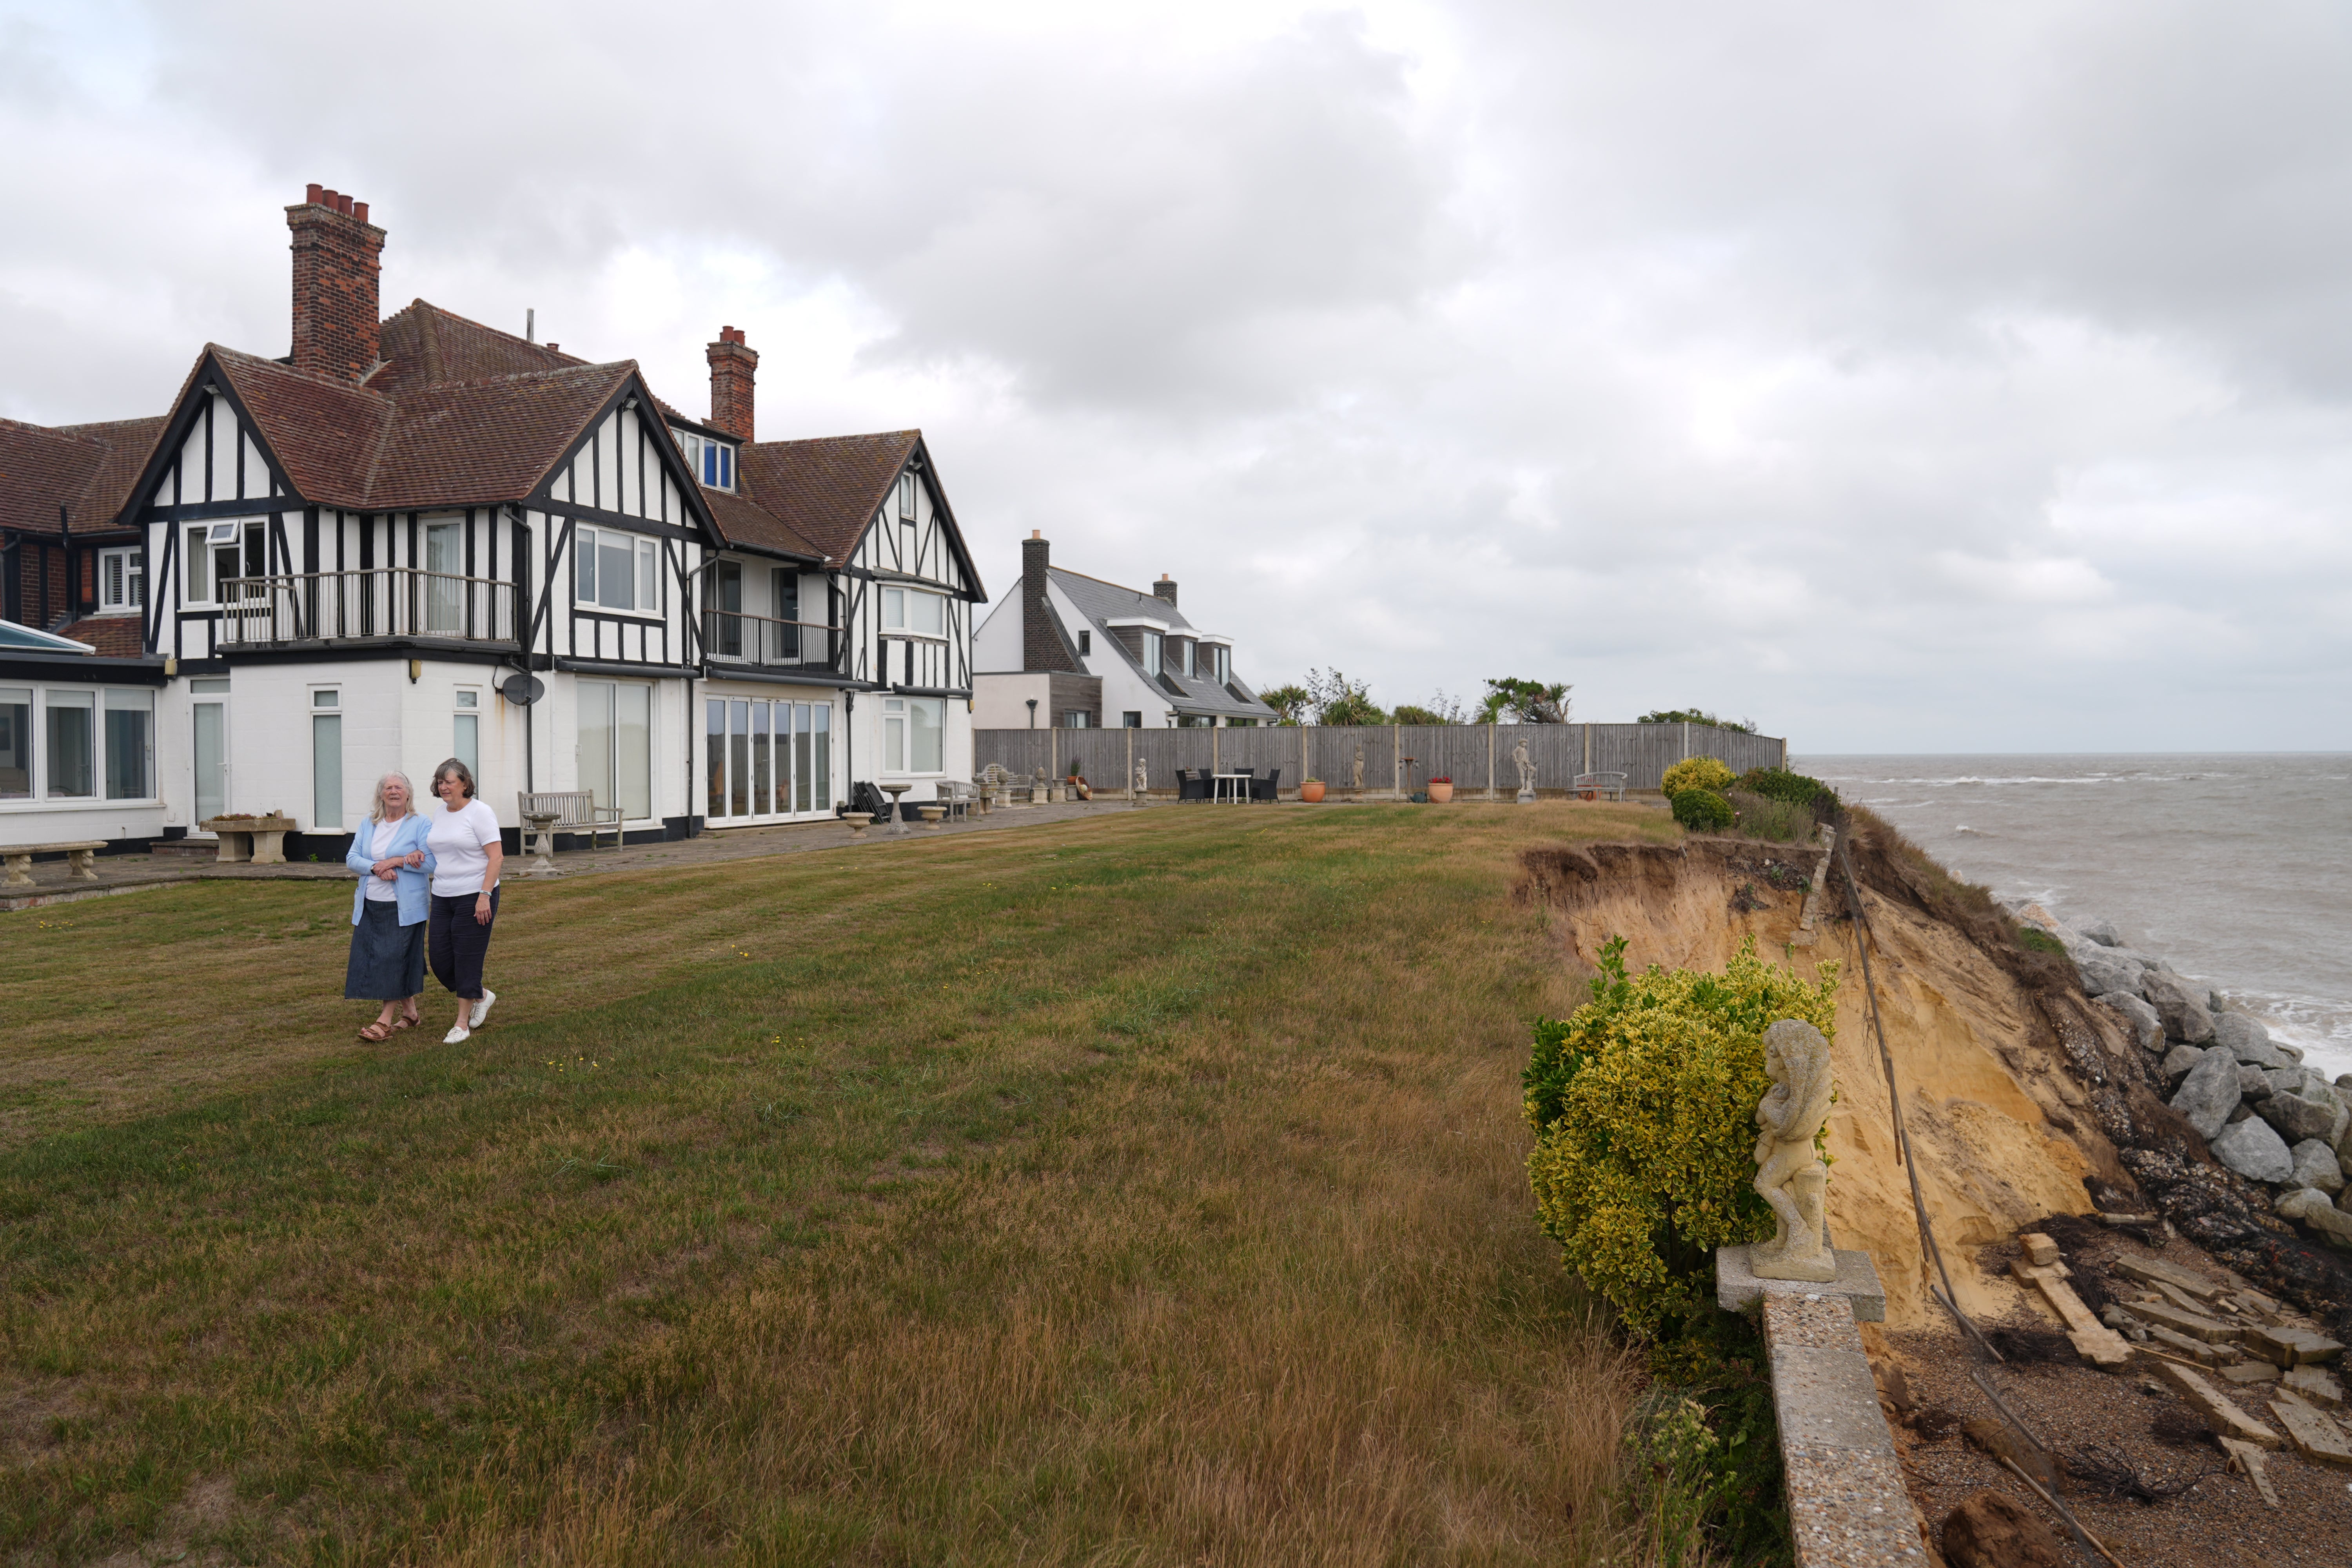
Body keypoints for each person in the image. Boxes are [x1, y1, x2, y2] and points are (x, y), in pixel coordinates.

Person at [343, 771, 434, 1041]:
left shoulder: (420, 823)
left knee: (393, 960)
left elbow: (430, 863)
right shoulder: (369, 824)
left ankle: (383, 1022)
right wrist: (375, 867)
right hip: (371, 904)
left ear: (408, 793)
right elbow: (352, 858)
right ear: (381, 794)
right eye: (388, 788)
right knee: (388, 959)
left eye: (399, 787)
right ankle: (411, 1015)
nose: (393, 791)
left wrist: (395, 862)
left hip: (405, 907)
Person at [426, 757, 504, 1044]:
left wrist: (484, 896)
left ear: (466, 784)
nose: (444, 786)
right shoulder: (440, 812)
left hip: (476, 894)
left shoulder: (480, 812)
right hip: (443, 894)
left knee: (467, 958)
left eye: (450, 781)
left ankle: (461, 1025)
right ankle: (481, 995)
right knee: (441, 961)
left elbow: (496, 857)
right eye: (440, 781)